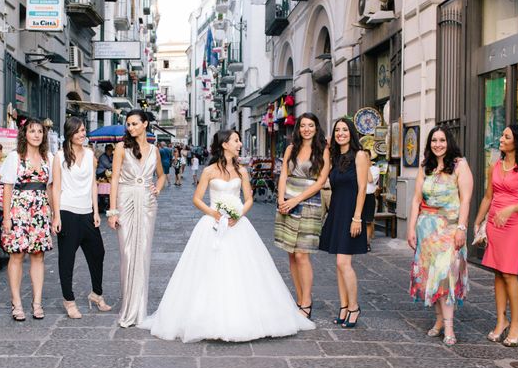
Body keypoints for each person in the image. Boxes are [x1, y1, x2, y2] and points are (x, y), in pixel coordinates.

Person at [139, 129, 315, 342]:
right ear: (225, 144)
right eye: (236, 140)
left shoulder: (242, 170)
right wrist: (214, 213)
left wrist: (238, 214)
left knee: (244, 269)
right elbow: (197, 198)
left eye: (239, 140)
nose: (240, 144)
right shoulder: (209, 170)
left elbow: (248, 198)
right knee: (207, 269)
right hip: (213, 223)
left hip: (238, 224)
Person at [473, 124, 518, 347]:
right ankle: (501, 320)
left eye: (506, 136)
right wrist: (478, 221)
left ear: (516, 142)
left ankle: (517, 324)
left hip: (514, 224)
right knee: (498, 273)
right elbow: (488, 197)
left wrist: (511, 209)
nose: (501, 138)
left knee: (510, 273)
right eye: (502, 135)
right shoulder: (496, 166)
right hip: (495, 223)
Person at [407, 126, 473, 346]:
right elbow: (416, 199)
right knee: (431, 277)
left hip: (450, 229)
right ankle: (438, 322)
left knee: (446, 276)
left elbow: (465, 199)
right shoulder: (426, 166)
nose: (438, 144)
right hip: (427, 230)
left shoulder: (460, 165)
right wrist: (410, 228)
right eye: (434, 140)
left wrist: (462, 228)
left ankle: (450, 327)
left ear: (449, 141)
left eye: (442, 140)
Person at [108, 110, 165, 328]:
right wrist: (112, 211)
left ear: (145, 124)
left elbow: (162, 175)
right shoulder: (121, 148)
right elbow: (114, 179)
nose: (130, 128)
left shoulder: (154, 150)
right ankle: (128, 307)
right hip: (125, 199)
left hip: (147, 203)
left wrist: (157, 189)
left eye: (134, 124)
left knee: (142, 253)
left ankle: (139, 309)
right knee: (128, 254)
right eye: (128, 124)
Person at [52, 117, 111, 319]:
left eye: (84, 130)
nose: (82, 134)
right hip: (67, 211)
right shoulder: (59, 156)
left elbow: (93, 184)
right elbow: (56, 187)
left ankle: (96, 294)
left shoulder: (90, 154)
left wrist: (96, 211)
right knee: (67, 260)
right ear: (69, 133)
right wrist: (56, 215)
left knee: (98, 253)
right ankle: (69, 300)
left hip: (87, 212)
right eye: (77, 131)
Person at [274, 113, 330, 319]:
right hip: (286, 202)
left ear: (316, 128)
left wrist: (295, 200)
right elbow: (283, 175)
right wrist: (281, 199)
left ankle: (306, 301)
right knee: (290, 253)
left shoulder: (323, 150)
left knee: (301, 254)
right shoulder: (291, 148)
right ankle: (298, 298)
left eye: (311, 125)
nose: (306, 129)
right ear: (298, 128)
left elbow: (320, 181)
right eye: (303, 125)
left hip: (309, 204)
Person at [0, 118, 54, 321]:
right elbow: (6, 187)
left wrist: (52, 214)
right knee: (17, 255)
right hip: (18, 210)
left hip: (40, 210)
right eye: (32, 131)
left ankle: (37, 303)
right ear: (25, 134)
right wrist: (6, 217)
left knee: (38, 256)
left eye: (40, 131)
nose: (37, 135)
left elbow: (50, 187)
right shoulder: (15, 157)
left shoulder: (48, 157)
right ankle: (17, 303)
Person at [319, 118, 368, 328]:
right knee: (338, 265)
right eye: (337, 130)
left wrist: (357, 217)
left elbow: (363, 189)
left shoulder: (360, 155)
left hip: (351, 213)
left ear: (352, 132)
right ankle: (344, 306)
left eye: (345, 130)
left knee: (343, 263)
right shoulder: (335, 157)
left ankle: (354, 307)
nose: (341, 133)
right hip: (337, 213)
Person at [364, 150, 380, 252]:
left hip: (369, 196)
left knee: (368, 222)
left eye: (366, 156)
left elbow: (370, 180)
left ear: (370, 157)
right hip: (358, 196)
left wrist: (365, 166)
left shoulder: (375, 169)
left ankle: (367, 243)